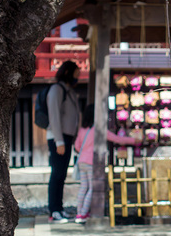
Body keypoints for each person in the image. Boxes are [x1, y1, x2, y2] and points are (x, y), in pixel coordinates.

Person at [74, 104, 137, 224]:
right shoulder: (99, 130)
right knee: (91, 188)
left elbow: (77, 146)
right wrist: (134, 140)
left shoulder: (83, 130)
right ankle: (83, 213)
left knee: (83, 187)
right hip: (92, 162)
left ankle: (79, 212)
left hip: (81, 161)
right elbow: (117, 139)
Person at [47, 61, 80, 223]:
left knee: (62, 175)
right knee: (57, 174)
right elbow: (54, 115)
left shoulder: (69, 91)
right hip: (57, 137)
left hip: (66, 137)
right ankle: (54, 210)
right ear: (68, 73)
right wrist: (59, 140)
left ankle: (59, 208)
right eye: (76, 74)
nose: (77, 78)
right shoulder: (57, 89)